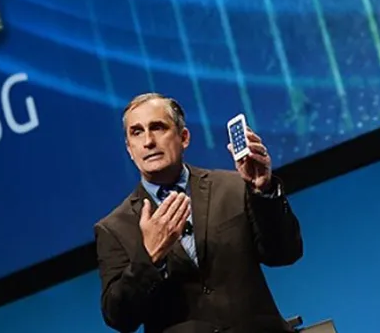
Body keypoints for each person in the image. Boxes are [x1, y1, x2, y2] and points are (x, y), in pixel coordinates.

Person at [94, 93, 303, 333]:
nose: (148, 141)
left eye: (158, 127)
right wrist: (149, 258)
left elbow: (285, 253)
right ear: (129, 149)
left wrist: (263, 191)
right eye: (137, 132)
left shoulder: (232, 187)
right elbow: (120, 318)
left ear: (183, 137)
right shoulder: (114, 228)